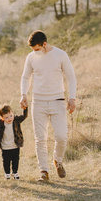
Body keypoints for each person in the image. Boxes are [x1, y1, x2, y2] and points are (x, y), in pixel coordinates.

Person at [20, 30, 77, 181]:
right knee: (40, 138)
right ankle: (43, 171)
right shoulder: (31, 57)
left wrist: (72, 98)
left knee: (61, 136)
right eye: (33, 50)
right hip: (38, 102)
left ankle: (57, 160)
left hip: (57, 101)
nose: (35, 52)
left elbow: (71, 77)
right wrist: (23, 94)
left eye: (37, 49)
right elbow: (26, 76)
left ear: (44, 44)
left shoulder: (60, 55)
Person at [0, 104, 28, 180]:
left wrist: (25, 109)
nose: (9, 118)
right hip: (5, 147)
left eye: (11, 115)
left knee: (15, 160)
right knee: (6, 161)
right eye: (6, 117)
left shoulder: (16, 120)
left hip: (15, 145)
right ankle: (7, 174)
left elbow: (24, 116)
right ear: (2, 118)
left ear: (12, 113)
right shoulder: (0, 124)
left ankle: (15, 172)